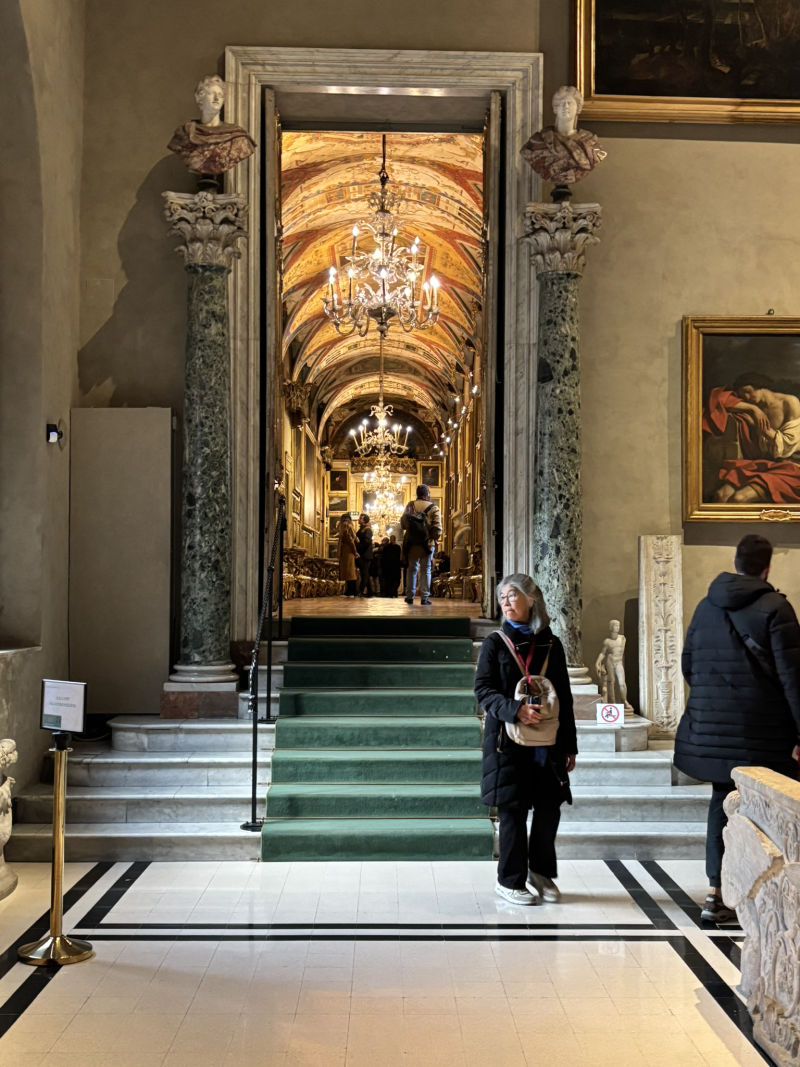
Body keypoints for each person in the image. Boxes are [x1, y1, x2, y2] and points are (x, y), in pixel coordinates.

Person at [674, 534, 800, 923]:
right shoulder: (776, 608)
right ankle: (767, 892)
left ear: (735, 562)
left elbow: (688, 664)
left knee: (722, 804)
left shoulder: (706, 605)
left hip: (712, 730)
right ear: (767, 567)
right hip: (765, 732)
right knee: (770, 805)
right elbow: (793, 678)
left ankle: (716, 893)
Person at [475, 574, 578, 906]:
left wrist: (569, 745)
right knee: (513, 811)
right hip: (507, 742)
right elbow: (483, 690)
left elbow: (565, 697)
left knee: (549, 809)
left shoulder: (551, 644)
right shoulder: (494, 643)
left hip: (547, 742)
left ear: (532, 599)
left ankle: (541, 873)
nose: (505, 602)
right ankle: (509, 880)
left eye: (512, 595)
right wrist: (515, 710)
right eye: (502, 597)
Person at [704, 374, 800, 504]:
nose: (746, 397)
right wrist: (753, 409)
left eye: (748, 391)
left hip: (791, 467)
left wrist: (760, 427)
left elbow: (788, 445)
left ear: (761, 386)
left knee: (738, 498)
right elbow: (718, 399)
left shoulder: (789, 402)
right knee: (721, 495)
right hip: (766, 465)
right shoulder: (754, 406)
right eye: (742, 395)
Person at [168, 74, 256, 175]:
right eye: (211, 94)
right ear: (200, 98)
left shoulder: (238, 137)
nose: (216, 98)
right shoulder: (185, 133)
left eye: (220, 95)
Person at [520, 85, 606, 186]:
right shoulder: (538, 142)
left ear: (578, 108)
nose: (566, 106)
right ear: (555, 108)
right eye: (562, 103)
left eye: (570, 103)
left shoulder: (590, 143)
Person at [400, 485, 442, 606]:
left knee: (411, 569)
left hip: (412, 543)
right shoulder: (434, 508)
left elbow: (403, 524)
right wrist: (432, 538)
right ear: (427, 494)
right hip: (427, 544)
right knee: (426, 569)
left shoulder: (410, 505)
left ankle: (410, 596)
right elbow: (438, 529)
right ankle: (424, 597)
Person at [594, 620, 633, 711]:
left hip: (619, 662)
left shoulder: (622, 639)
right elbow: (603, 653)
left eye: (618, 625)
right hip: (610, 661)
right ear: (611, 627)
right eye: (615, 625)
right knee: (611, 682)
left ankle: (624, 700)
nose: (617, 627)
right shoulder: (607, 641)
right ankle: (612, 702)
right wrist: (597, 662)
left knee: (622, 683)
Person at [336, 514, 358, 597]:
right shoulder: (349, 526)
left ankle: (351, 591)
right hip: (348, 551)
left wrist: (355, 552)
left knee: (349, 573)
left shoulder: (345, 527)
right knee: (349, 572)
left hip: (347, 551)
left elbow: (350, 541)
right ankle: (350, 591)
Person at [355, 513, 373, 597]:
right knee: (365, 574)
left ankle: (360, 591)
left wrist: (358, 548)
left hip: (365, 555)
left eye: (360, 518)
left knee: (364, 574)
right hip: (363, 554)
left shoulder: (367, 530)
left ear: (365, 520)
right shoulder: (361, 529)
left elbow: (366, 542)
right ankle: (370, 592)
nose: (359, 519)